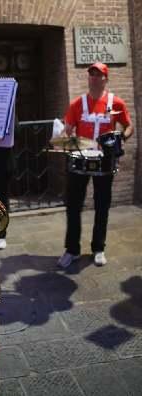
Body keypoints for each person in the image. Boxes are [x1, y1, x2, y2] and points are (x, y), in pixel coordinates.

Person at [58, 62, 133, 269]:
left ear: (105, 79)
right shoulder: (77, 104)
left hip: (105, 161)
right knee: (73, 206)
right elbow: (68, 130)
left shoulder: (115, 102)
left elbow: (128, 126)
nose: (93, 77)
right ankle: (72, 250)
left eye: (98, 74)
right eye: (91, 74)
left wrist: (121, 140)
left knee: (102, 205)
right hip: (81, 159)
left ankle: (98, 248)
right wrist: (64, 134)